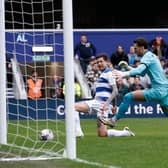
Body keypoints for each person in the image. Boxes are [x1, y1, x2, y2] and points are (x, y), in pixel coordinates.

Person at [99, 37, 168, 127]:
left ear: (142, 48)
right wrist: (127, 67)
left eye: (136, 48)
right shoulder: (151, 56)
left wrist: (122, 74)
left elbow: (139, 71)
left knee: (128, 96)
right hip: (165, 90)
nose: (134, 51)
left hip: (158, 91)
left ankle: (113, 120)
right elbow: (142, 72)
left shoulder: (147, 56)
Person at [74, 53, 135, 137]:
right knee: (102, 134)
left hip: (101, 104)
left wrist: (107, 103)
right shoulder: (103, 74)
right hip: (100, 105)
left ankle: (78, 132)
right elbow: (112, 91)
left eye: (101, 61)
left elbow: (115, 91)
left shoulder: (109, 73)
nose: (99, 64)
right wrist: (114, 105)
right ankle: (125, 133)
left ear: (107, 62)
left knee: (72, 107)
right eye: (97, 62)